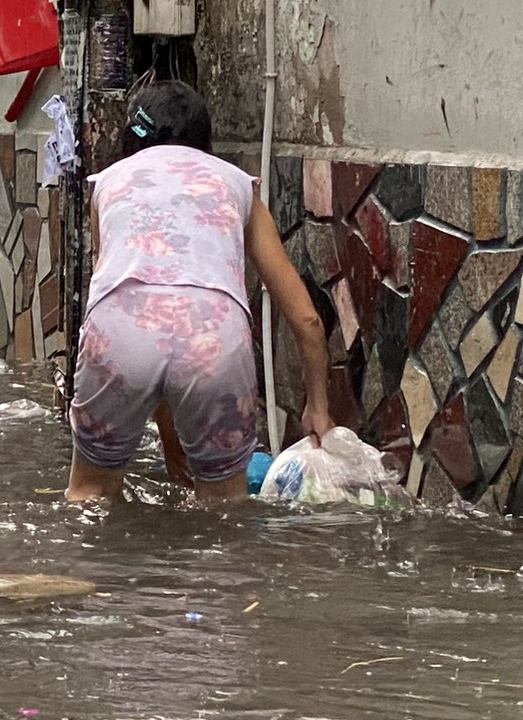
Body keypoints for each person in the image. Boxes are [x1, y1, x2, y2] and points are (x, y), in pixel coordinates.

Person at [66, 79, 333, 502]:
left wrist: (172, 435)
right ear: (203, 142)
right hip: (215, 339)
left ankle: (85, 570)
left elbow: (145, 308)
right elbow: (306, 318)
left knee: (89, 494)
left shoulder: (109, 183)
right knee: (223, 512)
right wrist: (318, 407)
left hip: (117, 330)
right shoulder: (236, 183)